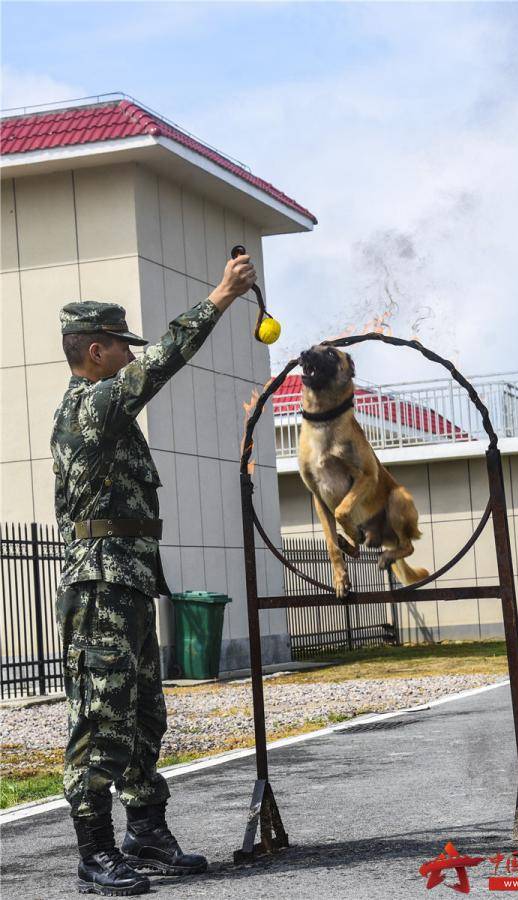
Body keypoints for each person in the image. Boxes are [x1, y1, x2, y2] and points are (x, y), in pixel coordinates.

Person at [51, 253, 255, 896]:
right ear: (94, 351)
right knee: (101, 718)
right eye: (119, 347)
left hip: (131, 582)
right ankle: (95, 855)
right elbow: (162, 361)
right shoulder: (91, 407)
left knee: (143, 715)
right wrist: (219, 297)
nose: (127, 356)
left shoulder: (113, 418)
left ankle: (146, 833)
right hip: (102, 585)